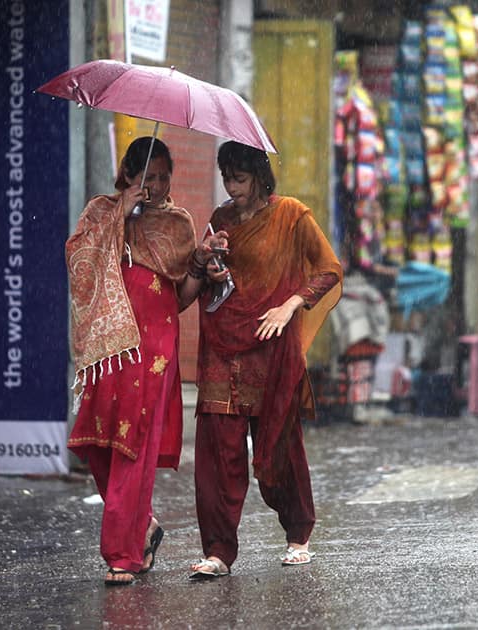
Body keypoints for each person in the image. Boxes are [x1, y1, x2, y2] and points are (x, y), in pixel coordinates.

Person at [188, 141, 343, 578]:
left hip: (272, 343)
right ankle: (218, 550)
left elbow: (328, 268)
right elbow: (217, 282)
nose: (231, 187)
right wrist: (212, 265)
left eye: (238, 178)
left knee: (279, 446)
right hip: (224, 342)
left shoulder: (291, 214)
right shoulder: (220, 220)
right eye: (226, 178)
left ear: (258, 176)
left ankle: (298, 534)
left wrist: (290, 304)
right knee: (218, 447)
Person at [65, 137, 208, 586]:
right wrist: (120, 216)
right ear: (128, 174)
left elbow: (181, 296)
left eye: (165, 176)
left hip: (155, 348)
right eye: (150, 177)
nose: (160, 186)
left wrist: (201, 268)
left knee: (135, 446)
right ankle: (142, 525)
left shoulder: (178, 224)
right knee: (97, 442)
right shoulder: (102, 213)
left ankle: (123, 554)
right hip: (110, 347)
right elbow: (79, 264)